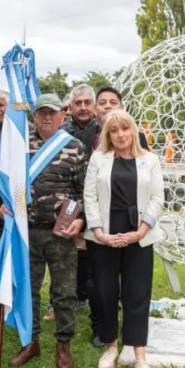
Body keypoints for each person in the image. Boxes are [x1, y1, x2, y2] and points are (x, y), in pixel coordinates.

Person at [8, 94, 88, 368]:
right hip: (26, 231)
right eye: (41, 112)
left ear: (62, 116)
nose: (46, 117)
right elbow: (7, 182)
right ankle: (30, 341)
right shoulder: (19, 145)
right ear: (34, 116)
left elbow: (83, 192)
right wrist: (3, 205)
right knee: (28, 290)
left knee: (64, 292)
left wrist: (81, 220)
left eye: (52, 113)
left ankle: (63, 344)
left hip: (60, 233)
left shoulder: (74, 147)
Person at [84, 110, 164, 368]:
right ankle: (111, 347)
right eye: (113, 130)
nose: (120, 135)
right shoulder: (98, 159)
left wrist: (142, 229)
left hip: (138, 235)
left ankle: (139, 356)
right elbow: (90, 196)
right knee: (106, 292)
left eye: (124, 129)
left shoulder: (150, 160)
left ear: (133, 131)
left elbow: (156, 197)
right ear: (107, 134)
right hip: (105, 236)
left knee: (137, 294)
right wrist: (98, 232)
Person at [73, 85, 149, 346]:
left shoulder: (144, 151)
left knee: (135, 288)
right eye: (102, 102)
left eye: (112, 102)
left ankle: (134, 342)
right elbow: (88, 191)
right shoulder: (91, 148)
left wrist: (142, 227)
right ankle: (104, 336)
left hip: (135, 228)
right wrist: (95, 228)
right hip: (100, 228)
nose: (107, 106)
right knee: (101, 287)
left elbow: (154, 192)